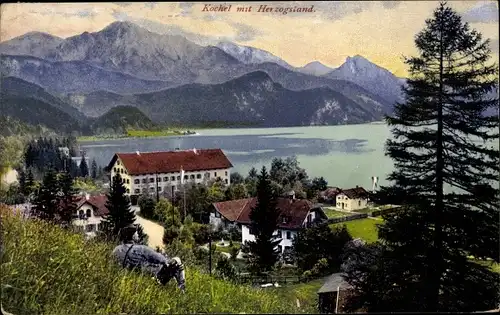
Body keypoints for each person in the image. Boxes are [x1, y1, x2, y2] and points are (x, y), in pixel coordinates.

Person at [112, 224, 186, 292]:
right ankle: (182, 290)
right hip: (148, 279)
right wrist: (168, 261)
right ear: (133, 236)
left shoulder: (116, 249)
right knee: (177, 261)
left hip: (127, 278)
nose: (138, 234)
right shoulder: (142, 249)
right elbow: (162, 260)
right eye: (136, 233)